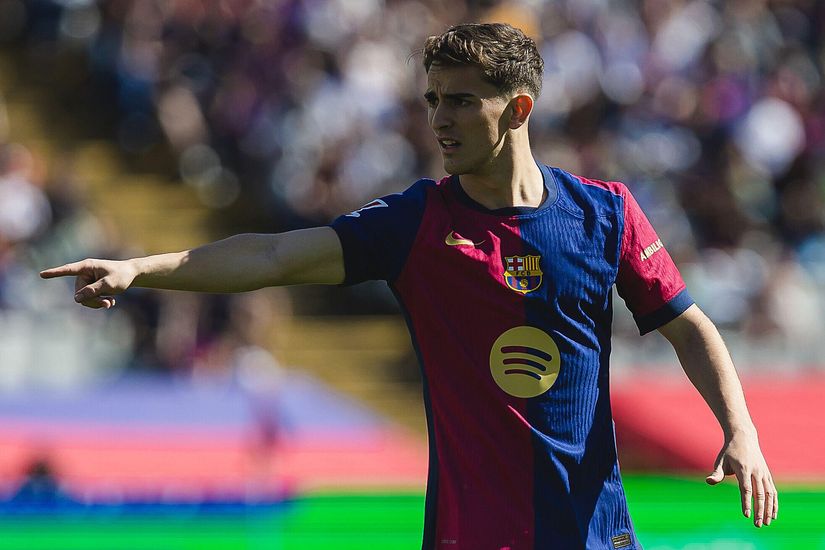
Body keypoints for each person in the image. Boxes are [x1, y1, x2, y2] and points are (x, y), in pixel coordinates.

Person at [41, 23, 776, 550]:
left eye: (459, 101)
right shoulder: (415, 222)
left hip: (591, 530)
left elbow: (686, 324)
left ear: (516, 109)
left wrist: (738, 429)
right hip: (470, 533)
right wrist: (143, 269)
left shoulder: (604, 212)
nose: (438, 119)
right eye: (432, 100)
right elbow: (270, 255)